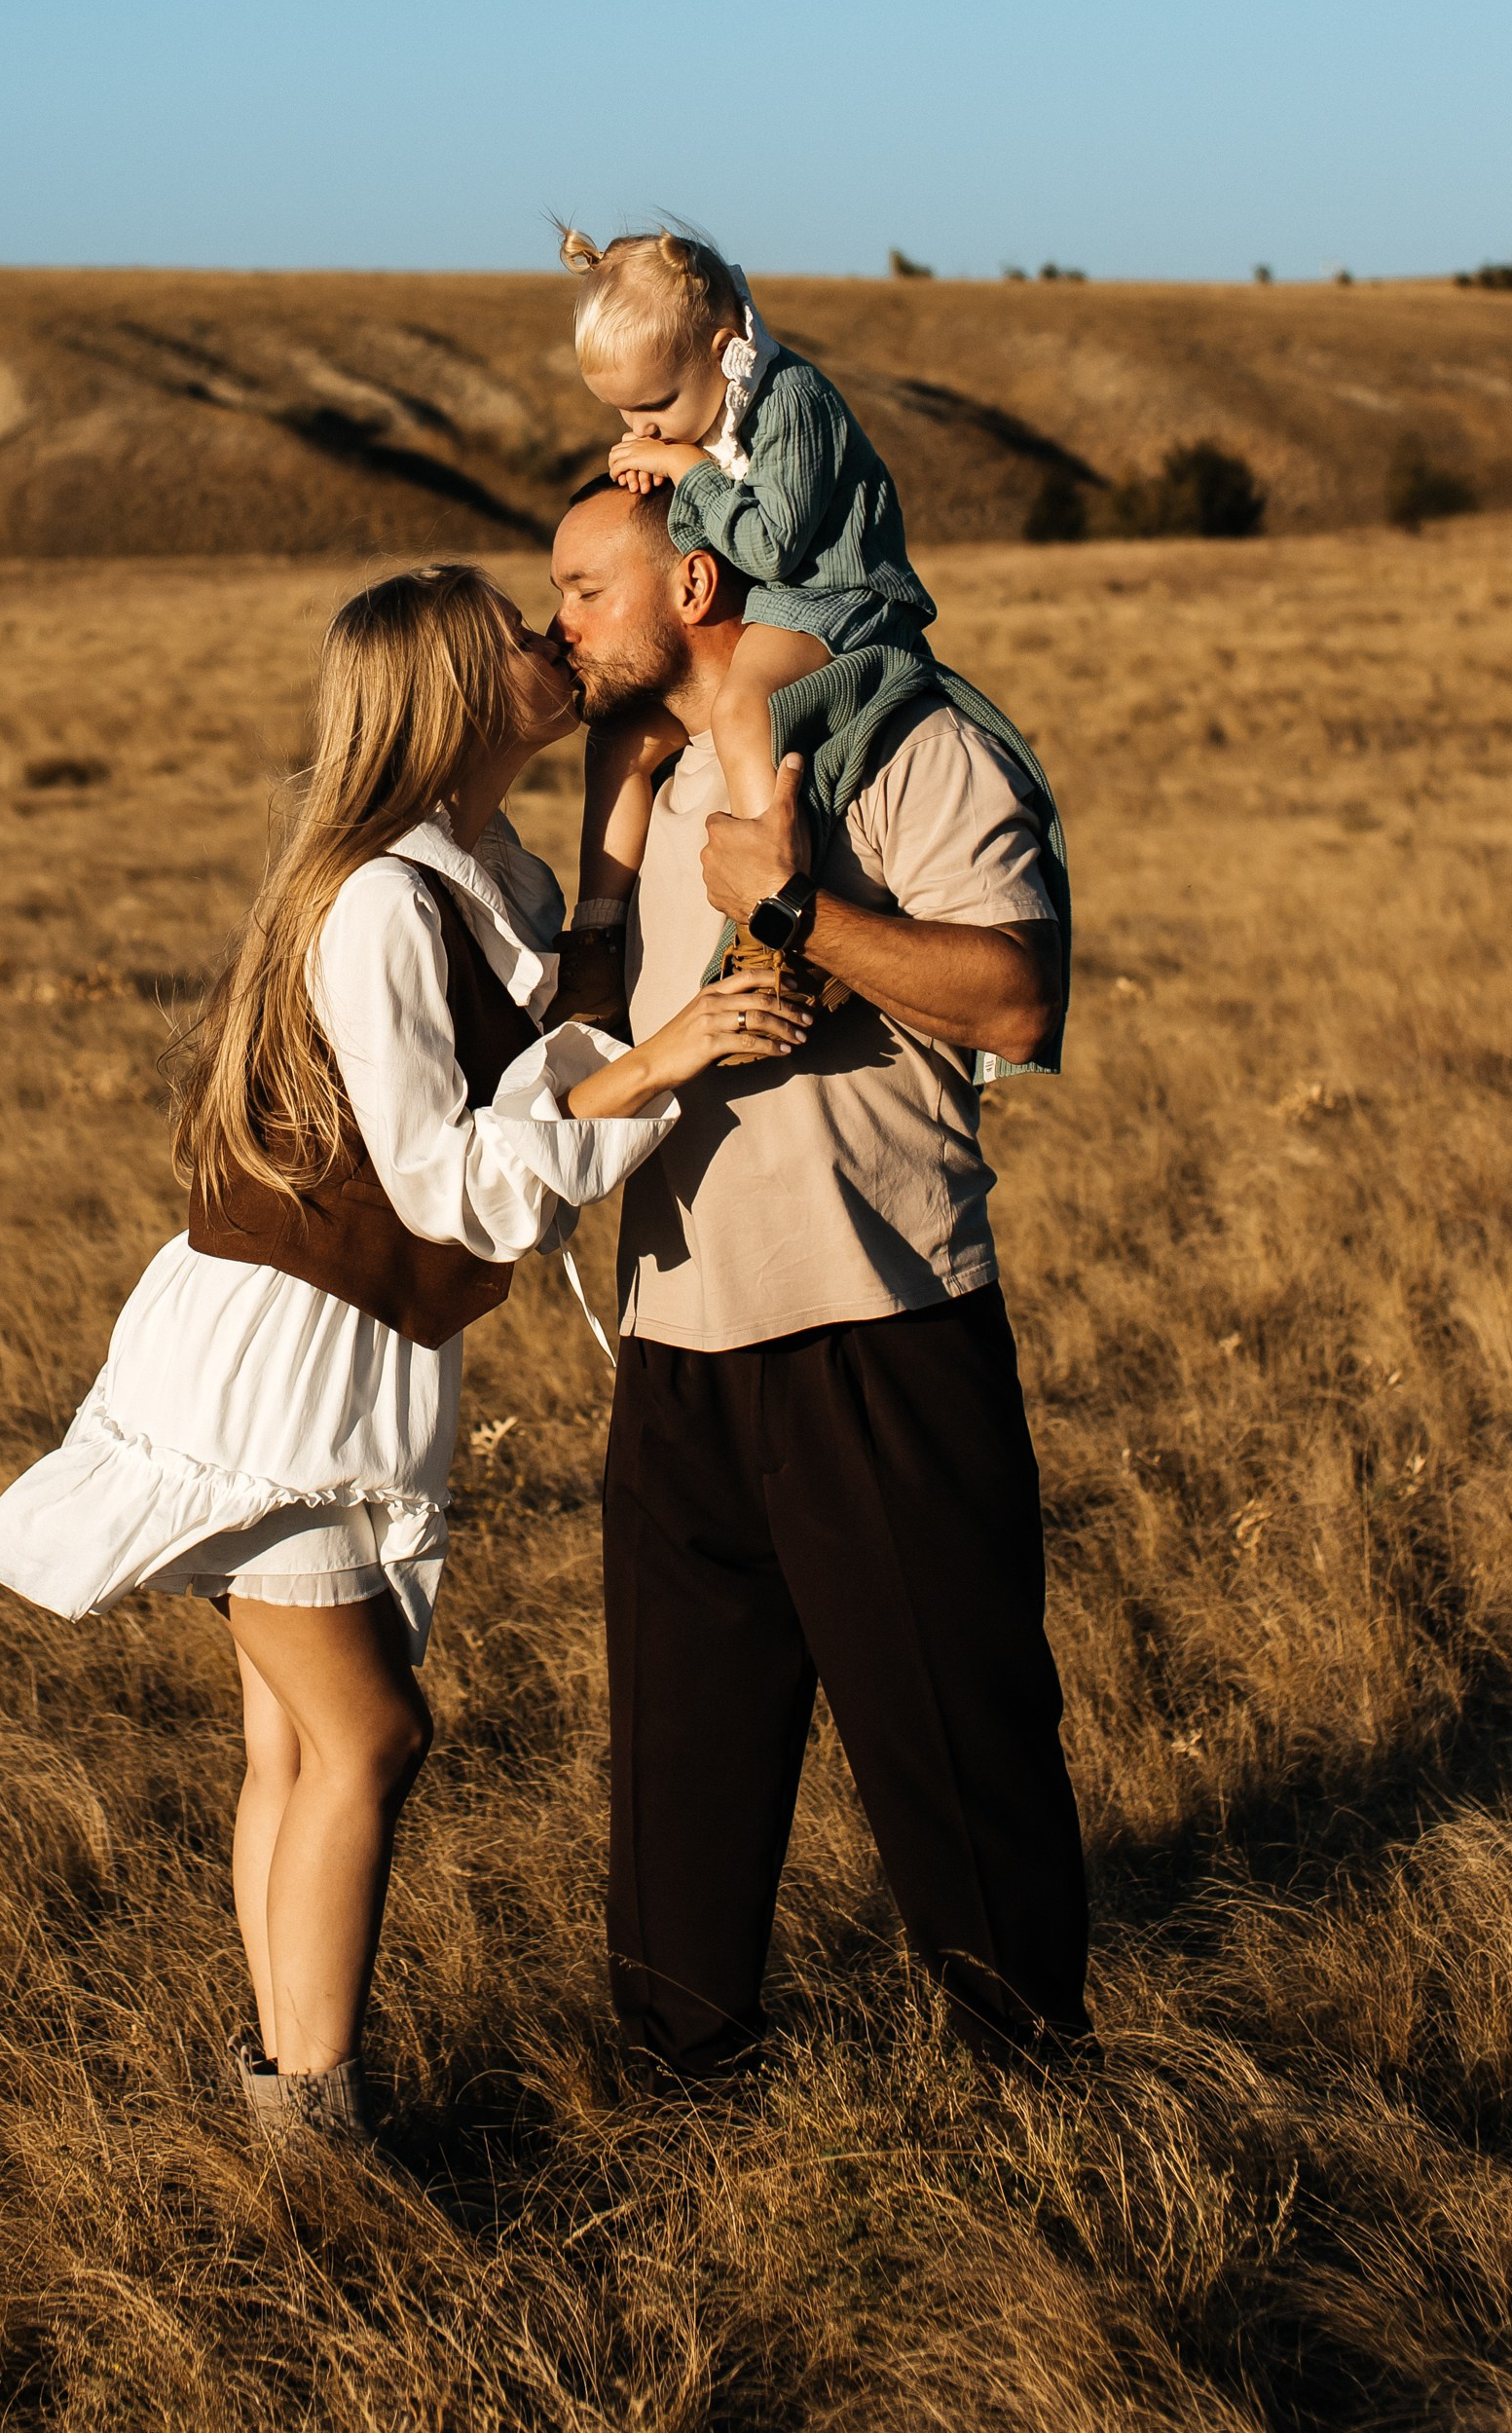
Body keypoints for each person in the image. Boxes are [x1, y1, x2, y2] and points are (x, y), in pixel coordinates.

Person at [0, 563, 805, 2143]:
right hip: (280, 1364)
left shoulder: (473, 862)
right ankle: (321, 2128)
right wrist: (677, 1056)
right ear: (445, 694)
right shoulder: (373, 900)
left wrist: (622, 803)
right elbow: (447, 1176)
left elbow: (564, 1004)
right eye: (517, 637)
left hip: (357, 1351)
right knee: (373, 1732)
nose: (554, 641)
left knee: (291, 1742)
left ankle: (289, 2100)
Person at [549, 478, 1091, 2074]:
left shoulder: (908, 745)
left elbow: (1017, 999)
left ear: (697, 581)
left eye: (586, 587)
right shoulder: (637, 789)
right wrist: (607, 819)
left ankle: (1031, 2081)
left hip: (879, 1324)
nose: (559, 622)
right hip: (675, 1335)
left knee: (954, 1744)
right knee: (675, 1765)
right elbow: (584, 1039)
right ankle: (676, 2085)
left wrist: (791, 908)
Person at [555, 226, 942, 1007]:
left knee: (741, 709)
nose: (645, 430)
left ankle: (775, 913)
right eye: (626, 413)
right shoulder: (717, 411)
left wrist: (688, 471)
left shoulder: (791, 402)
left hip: (838, 595)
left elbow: (767, 545)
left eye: (656, 404)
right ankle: (596, 946)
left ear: (727, 350)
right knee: (630, 735)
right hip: (787, 594)